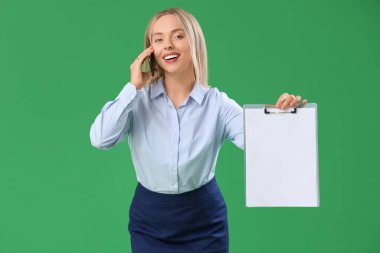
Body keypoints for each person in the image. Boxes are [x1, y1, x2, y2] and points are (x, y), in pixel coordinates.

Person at [89, 7, 307, 253]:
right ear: (150, 50)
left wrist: (284, 116)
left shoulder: (218, 105)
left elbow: (266, 144)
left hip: (204, 221)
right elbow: (100, 139)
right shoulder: (137, 100)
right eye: (158, 39)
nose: (168, 45)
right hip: (149, 222)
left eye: (178, 36)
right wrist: (132, 87)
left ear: (194, 42)